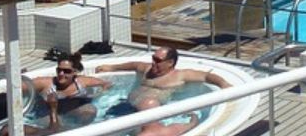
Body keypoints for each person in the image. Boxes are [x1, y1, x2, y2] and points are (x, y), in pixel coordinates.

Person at [96, 47, 231, 112]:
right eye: (153, 58)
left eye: (158, 60)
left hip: (148, 115)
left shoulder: (180, 75)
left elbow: (206, 76)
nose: (153, 62)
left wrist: (223, 84)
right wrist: (111, 67)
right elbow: (133, 65)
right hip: (127, 106)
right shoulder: (148, 69)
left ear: (170, 62)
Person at [32, 53, 111, 129]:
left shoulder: (82, 82)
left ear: (74, 72)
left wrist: (98, 95)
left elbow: (106, 84)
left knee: (90, 111)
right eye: (59, 70)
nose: (61, 74)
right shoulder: (46, 83)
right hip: (48, 114)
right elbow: (22, 86)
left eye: (66, 71)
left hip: (72, 111)